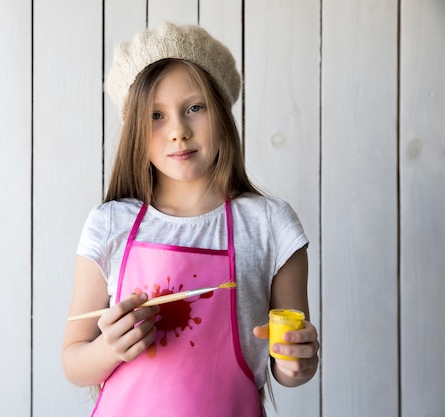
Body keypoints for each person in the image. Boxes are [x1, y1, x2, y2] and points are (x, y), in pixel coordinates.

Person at [61, 21, 319, 416]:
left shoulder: (270, 225)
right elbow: (73, 361)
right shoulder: (109, 224)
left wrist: (297, 360)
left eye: (194, 108)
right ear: (134, 129)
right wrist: (107, 348)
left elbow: (289, 369)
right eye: (156, 115)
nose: (178, 131)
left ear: (222, 113)